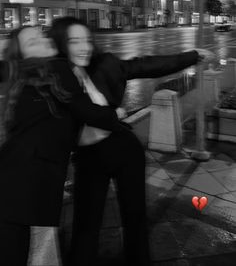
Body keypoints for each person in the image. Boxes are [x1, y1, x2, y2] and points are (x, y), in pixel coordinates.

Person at [49, 16, 213, 266]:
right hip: (88, 158)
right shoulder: (55, 76)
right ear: (61, 44)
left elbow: (147, 65)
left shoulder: (106, 64)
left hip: (123, 148)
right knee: (85, 225)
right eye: (74, 41)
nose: (84, 47)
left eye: (87, 40)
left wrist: (192, 56)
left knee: (134, 217)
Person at [0, 25, 122, 266]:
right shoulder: (56, 68)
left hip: (12, 182)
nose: (41, 39)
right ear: (24, 56)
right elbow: (89, 113)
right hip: (23, 186)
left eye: (40, 35)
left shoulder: (24, 79)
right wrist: (114, 114)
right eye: (32, 42)